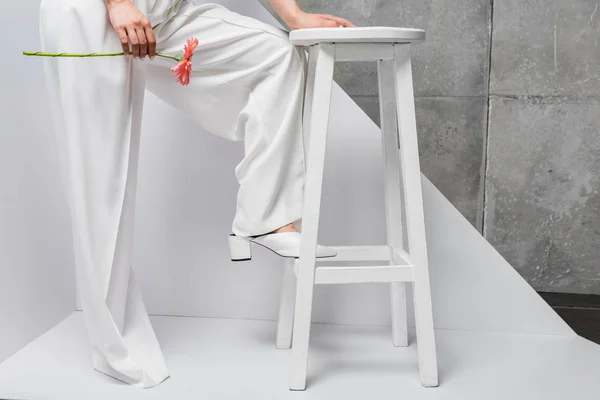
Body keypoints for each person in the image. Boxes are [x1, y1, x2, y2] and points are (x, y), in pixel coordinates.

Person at [39, 0, 355, 389]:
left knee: (276, 56)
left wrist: (292, 15)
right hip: (95, 12)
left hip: (169, 10)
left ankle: (266, 216)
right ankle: (114, 343)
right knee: (103, 179)